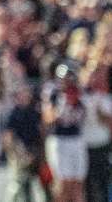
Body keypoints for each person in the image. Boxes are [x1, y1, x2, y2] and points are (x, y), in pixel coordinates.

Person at [45, 73, 88, 202]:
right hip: (60, 140)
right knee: (63, 183)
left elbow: (83, 116)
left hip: (76, 139)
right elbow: (47, 118)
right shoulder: (54, 95)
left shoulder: (80, 95)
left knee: (78, 183)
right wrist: (59, 111)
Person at [81, 71, 112, 202]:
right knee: (88, 184)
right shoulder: (80, 98)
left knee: (103, 182)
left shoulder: (106, 98)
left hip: (102, 145)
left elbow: (110, 122)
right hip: (86, 146)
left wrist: (98, 108)